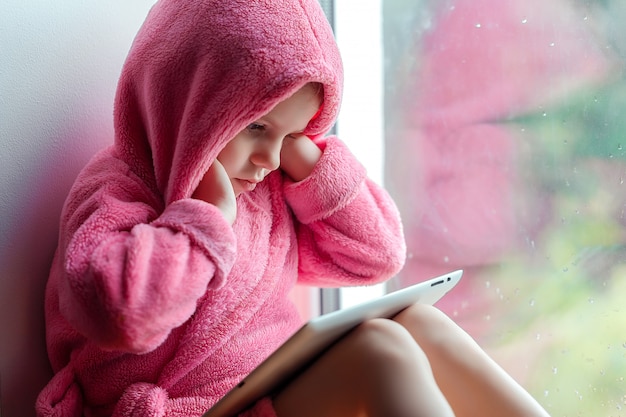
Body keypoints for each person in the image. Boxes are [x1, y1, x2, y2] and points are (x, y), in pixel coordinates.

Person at [36, 0, 551, 416]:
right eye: (256, 127)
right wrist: (205, 220)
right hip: (182, 409)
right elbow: (118, 313)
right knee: (378, 354)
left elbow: (377, 256)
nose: (267, 159)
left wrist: (309, 158)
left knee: (419, 324)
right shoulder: (118, 191)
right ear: (187, 99)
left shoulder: (264, 186)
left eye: (291, 133)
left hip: (266, 388)